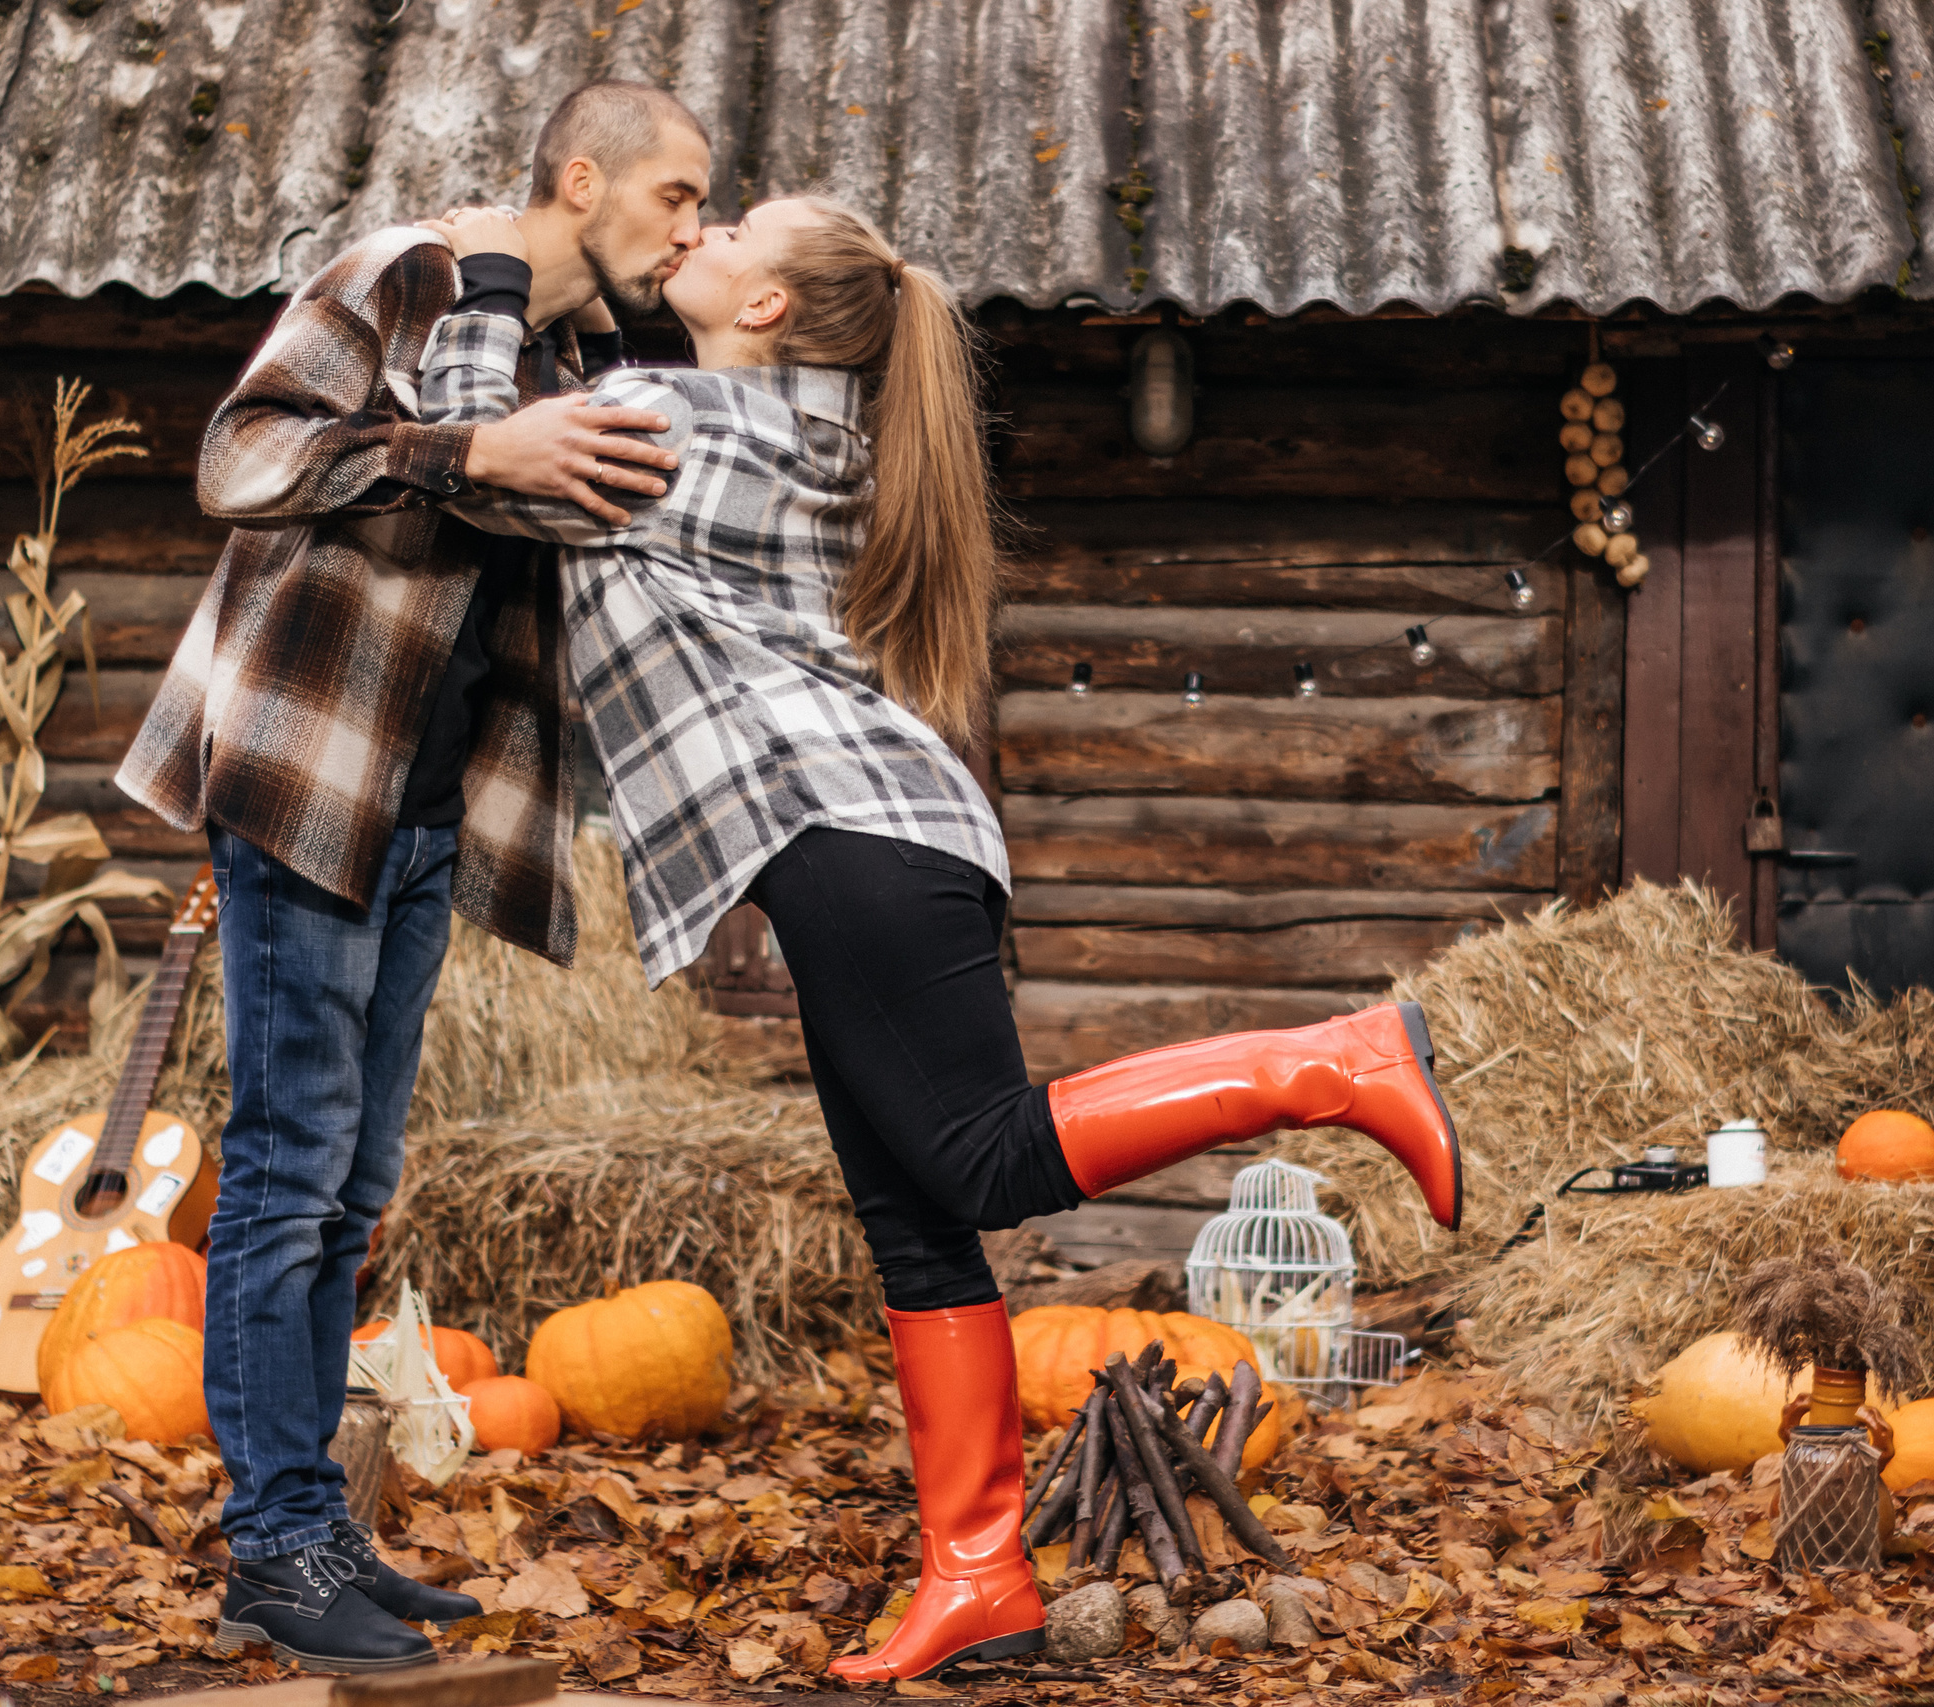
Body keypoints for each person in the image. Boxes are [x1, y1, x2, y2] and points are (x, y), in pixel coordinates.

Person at [417, 196, 1464, 1682]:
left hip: (858, 848)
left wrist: (489, 285)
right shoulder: (809, 425)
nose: (698, 230)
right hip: (882, 845)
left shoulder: (672, 421)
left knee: (980, 1163)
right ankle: (978, 1575)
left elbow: (477, 470)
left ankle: (1331, 1063)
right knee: (921, 1228)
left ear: (769, 309)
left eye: (730, 231)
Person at [114, 82, 713, 1673]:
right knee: (290, 1166)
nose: (693, 227)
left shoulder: (579, 361)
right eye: (675, 193)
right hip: (310, 786)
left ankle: (314, 1530)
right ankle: (274, 1549)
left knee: (356, 1186)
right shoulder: (407, 271)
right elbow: (240, 462)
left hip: (428, 811)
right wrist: (467, 443)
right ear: (580, 178)